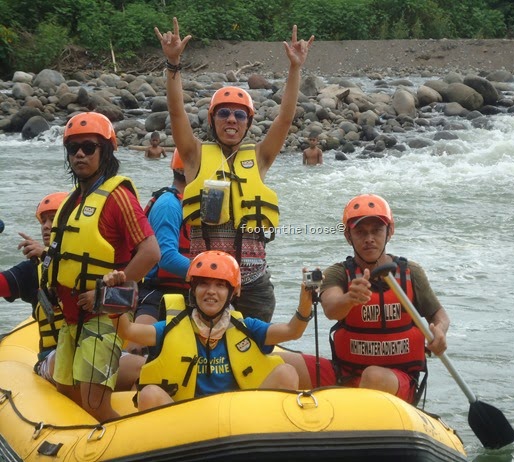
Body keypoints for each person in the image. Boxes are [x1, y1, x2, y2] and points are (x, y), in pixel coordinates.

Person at [154, 17, 314, 322]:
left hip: (253, 284)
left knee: (253, 362)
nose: (231, 120)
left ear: (248, 122)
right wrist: (173, 63)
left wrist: (295, 69)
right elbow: (176, 112)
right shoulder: (194, 155)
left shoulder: (260, 157)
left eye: (240, 115)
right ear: (213, 119)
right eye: (224, 113)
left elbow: (284, 119)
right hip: (206, 282)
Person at [39, 111, 160, 421]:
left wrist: (103, 294)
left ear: (105, 151)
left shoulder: (118, 197)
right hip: (71, 318)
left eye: (89, 147)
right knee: (68, 395)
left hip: (103, 318)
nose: (80, 154)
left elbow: (150, 252)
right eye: (73, 148)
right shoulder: (72, 200)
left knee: (94, 405)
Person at [279, 194, 450, 405]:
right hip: (346, 374)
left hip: (396, 379)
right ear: (348, 235)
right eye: (360, 232)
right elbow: (332, 309)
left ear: (390, 231)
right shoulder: (339, 273)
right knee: (279, 362)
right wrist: (350, 298)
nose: (369, 238)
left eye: (376, 230)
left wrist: (440, 331)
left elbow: (438, 315)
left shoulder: (411, 273)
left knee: (373, 376)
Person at [105, 250, 313, 411]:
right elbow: (128, 331)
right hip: (188, 418)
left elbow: (291, 331)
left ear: (233, 292)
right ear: (193, 290)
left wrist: (305, 305)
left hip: (240, 415)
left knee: (286, 373)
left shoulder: (246, 327)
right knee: (149, 393)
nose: (211, 292)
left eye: (220, 285)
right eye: (203, 284)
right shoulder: (172, 327)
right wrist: (113, 296)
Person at [127, 149, 191, 355]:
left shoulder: (194, 204)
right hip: (157, 291)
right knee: (138, 351)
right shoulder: (169, 205)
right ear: (182, 168)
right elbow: (167, 258)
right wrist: (210, 274)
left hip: (188, 291)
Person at [1, 191, 68, 384]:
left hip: (94, 350)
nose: (46, 226)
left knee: (139, 367)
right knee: (69, 359)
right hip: (53, 356)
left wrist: (49, 254)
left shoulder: (91, 263)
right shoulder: (33, 268)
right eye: (43, 221)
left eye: (53, 219)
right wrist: (46, 257)